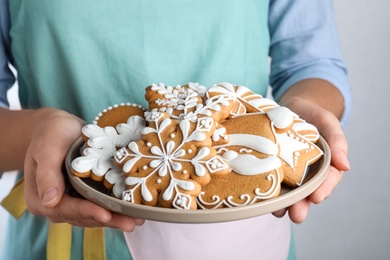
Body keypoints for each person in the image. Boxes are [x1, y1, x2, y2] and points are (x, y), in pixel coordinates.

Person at [0, 0, 351, 259]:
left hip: (240, 227)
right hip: (62, 237)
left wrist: (302, 116)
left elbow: (312, 62)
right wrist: (37, 130)